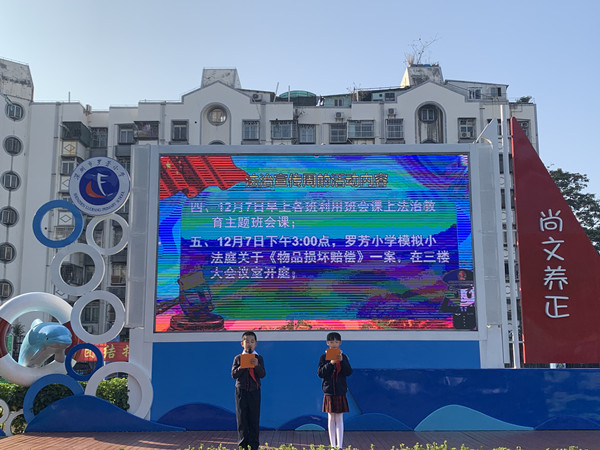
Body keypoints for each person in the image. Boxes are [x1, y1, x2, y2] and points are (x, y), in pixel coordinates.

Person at [317, 332, 353, 449]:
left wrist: (341, 361)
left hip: (340, 391)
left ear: (340, 343)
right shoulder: (324, 357)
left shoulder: (344, 356)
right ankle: (332, 446)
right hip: (329, 391)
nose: (334, 344)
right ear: (327, 343)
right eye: (331, 342)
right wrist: (331, 363)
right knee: (331, 418)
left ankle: (340, 446)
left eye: (336, 342)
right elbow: (320, 373)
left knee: (339, 418)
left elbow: (348, 372)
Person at [231, 331, 266, 450]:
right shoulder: (238, 358)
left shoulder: (259, 358)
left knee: (254, 419)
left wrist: (257, 366)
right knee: (242, 419)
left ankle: (254, 445)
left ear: (256, 344)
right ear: (242, 344)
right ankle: (242, 445)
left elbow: (262, 374)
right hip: (241, 391)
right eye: (247, 341)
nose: (249, 344)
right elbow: (233, 375)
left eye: (252, 341)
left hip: (254, 391)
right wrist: (242, 366)